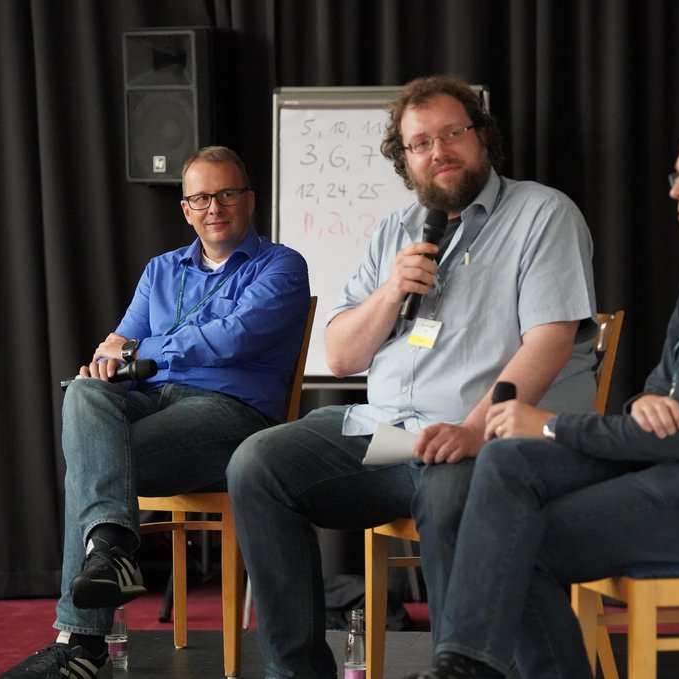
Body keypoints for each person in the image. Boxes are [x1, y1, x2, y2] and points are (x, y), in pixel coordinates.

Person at [406, 105, 679, 679]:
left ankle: (464, 668)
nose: (676, 191)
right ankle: (462, 664)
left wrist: (547, 423)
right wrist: (645, 403)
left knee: (520, 536)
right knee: (509, 464)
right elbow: (660, 392)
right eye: (676, 177)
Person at [226, 74, 598, 678]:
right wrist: (391, 290)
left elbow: (549, 343)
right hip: (389, 437)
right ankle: (296, 672)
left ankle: (461, 670)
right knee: (257, 464)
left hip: (481, 442)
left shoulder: (541, 213)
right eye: (420, 142)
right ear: (405, 160)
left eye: (452, 133)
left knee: (455, 489)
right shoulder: (395, 231)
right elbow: (343, 356)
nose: (438, 151)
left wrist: (474, 430)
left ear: (483, 137)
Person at [2, 146, 311, 679]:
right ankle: (112, 548)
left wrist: (147, 353)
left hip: (232, 415)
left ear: (249, 200)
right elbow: (112, 349)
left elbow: (233, 339)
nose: (214, 206)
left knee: (94, 461)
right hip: (153, 402)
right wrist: (112, 363)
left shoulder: (281, 265)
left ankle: (81, 639)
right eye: (200, 197)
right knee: (84, 392)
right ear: (186, 208)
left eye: (226, 193)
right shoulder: (162, 270)